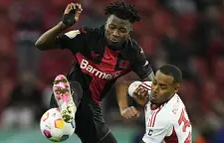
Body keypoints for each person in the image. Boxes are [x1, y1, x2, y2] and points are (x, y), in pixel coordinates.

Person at [35, 1, 154, 143]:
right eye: (112, 27)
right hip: (69, 93)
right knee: (74, 85)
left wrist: (134, 103)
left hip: (90, 111)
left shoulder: (133, 53)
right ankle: (68, 108)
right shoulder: (86, 36)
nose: (115, 33)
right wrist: (64, 25)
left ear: (130, 31)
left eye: (122, 30)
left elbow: (151, 83)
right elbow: (41, 44)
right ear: (105, 24)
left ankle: (70, 114)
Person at [129, 64, 192, 143]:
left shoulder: (165, 116)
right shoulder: (164, 94)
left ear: (175, 88)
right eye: (154, 82)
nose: (155, 89)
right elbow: (129, 86)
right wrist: (126, 105)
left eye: (163, 87)